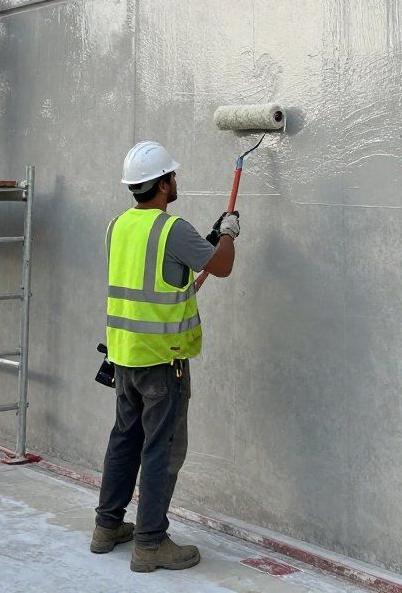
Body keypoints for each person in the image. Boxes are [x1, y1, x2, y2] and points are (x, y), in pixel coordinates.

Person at [92, 140, 240, 572]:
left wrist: (209, 241)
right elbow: (223, 266)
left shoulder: (117, 226)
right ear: (161, 184)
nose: (176, 181)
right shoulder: (171, 228)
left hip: (124, 358)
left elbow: (166, 275)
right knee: (161, 449)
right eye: (172, 176)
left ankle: (107, 527)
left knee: (125, 439)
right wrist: (228, 234)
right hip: (163, 361)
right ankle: (151, 543)